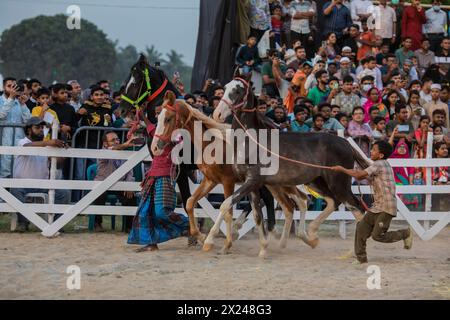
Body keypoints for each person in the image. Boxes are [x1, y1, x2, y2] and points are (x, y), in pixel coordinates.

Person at [331, 140, 413, 264]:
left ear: (380, 155)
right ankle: (361, 259)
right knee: (361, 228)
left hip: (386, 207)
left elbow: (359, 176)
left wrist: (342, 169)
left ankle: (405, 233)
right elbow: (367, 177)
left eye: (374, 149)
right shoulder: (381, 164)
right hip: (378, 206)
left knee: (377, 236)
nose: (371, 151)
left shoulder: (379, 164)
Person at [127, 108, 189, 252]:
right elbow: (150, 128)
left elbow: (180, 142)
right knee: (144, 212)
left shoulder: (177, 133)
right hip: (153, 176)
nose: (157, 116)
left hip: (166, 176)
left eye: (160, 114)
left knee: (161, 211)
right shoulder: (158, 131)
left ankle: (189, 225)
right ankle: (151, 243)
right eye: (156, 114)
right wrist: (142, 115)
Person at [11, 117, 69, 232]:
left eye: (42, 128)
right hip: (22, 184)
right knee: (15, 191)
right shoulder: (22, 141)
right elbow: (26, 148)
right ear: (28, 130)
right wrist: (48, 143)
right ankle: (23, 223)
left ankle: (57, 224)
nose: (41, 130)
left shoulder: (47, 146)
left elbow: (58, 165)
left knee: (64, 193)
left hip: (42, 184)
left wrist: (62, 152)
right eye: (37, 128)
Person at [92, 131, 137, 232]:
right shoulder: (102, 153)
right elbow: (112, 150)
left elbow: (130, 172)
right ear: (105, 143)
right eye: (113, 140)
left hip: (120, 184)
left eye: (117, 139)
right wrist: (125, 145)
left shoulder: (125, 154)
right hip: (103, 183)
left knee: (130, 195)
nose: (116, 141)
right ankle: (97, 223)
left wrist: (129, 185)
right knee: (100, 194)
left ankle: (129, 226)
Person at [0, 77, 31, 178]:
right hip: (3, 140)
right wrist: (11, 99)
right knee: (5, 172)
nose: (12, 89)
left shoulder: (19, 102)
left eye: (14, 86)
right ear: (3, 87)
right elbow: (1, 115)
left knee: (18, 172)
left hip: (18, 141)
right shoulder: (0, 100)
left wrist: (23, 104)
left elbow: (28, 121)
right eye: (9, 86)